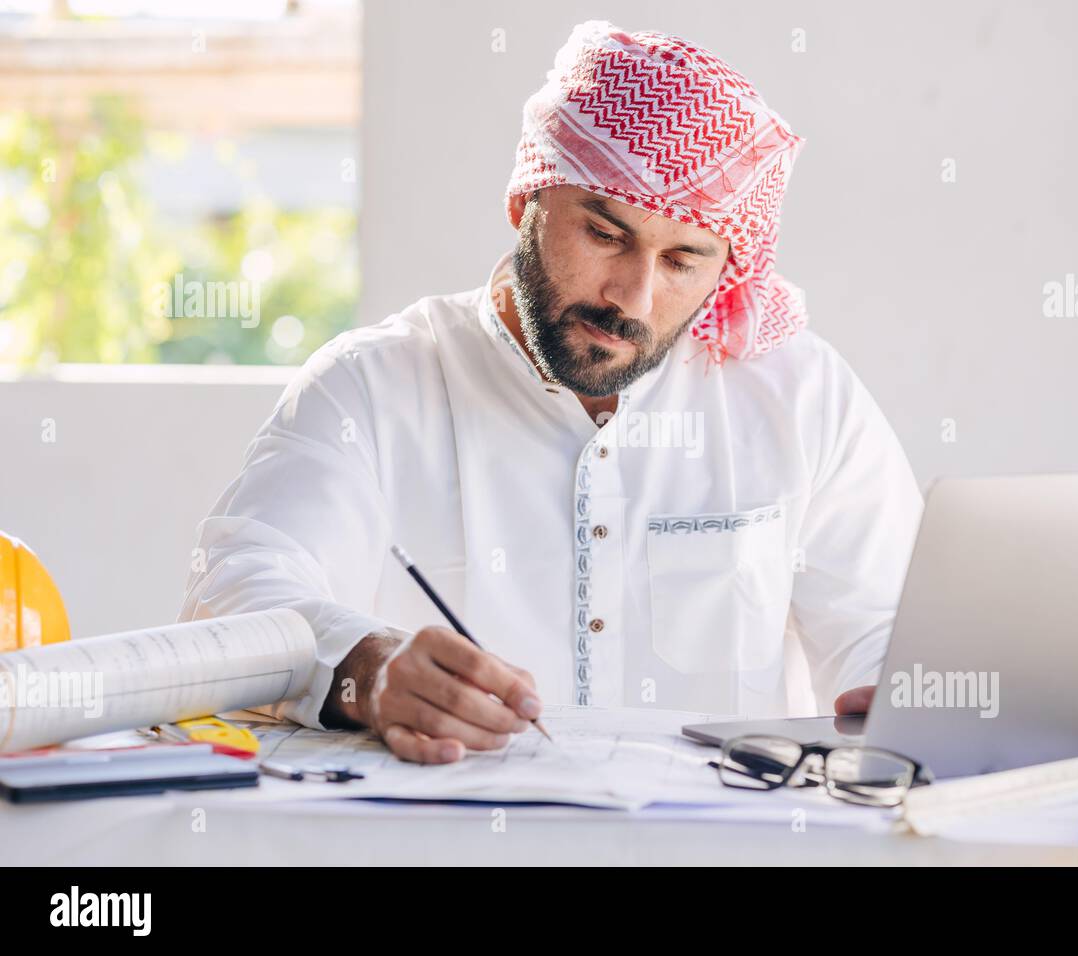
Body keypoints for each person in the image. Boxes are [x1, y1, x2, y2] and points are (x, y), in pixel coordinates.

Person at [179, 20, 922, 764]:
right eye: (605, 235)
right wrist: (363, 672)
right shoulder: (370, 387)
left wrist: (905, 698)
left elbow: (890, 632)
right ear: (526, 202)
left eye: (682, 261)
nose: (632, 297)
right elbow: (238, 591)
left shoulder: (801, 398)